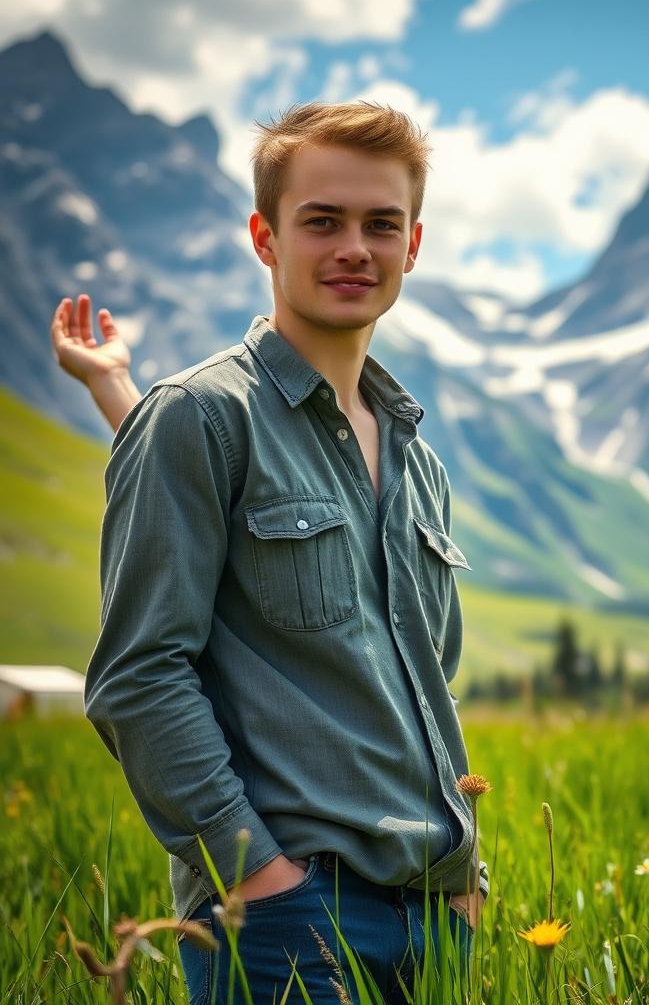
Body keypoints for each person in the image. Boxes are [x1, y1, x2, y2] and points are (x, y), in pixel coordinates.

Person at [53, 101, 487, 1005]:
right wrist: (256, 878)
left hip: (437, 919)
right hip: (285, 914)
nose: (354, 248)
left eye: (381, 224)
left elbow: (429, 687)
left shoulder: (422, 464)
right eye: (322, 221)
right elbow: (140, 676)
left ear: (413, 246)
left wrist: (464, 884)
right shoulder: (199, 416)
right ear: (265, 237)